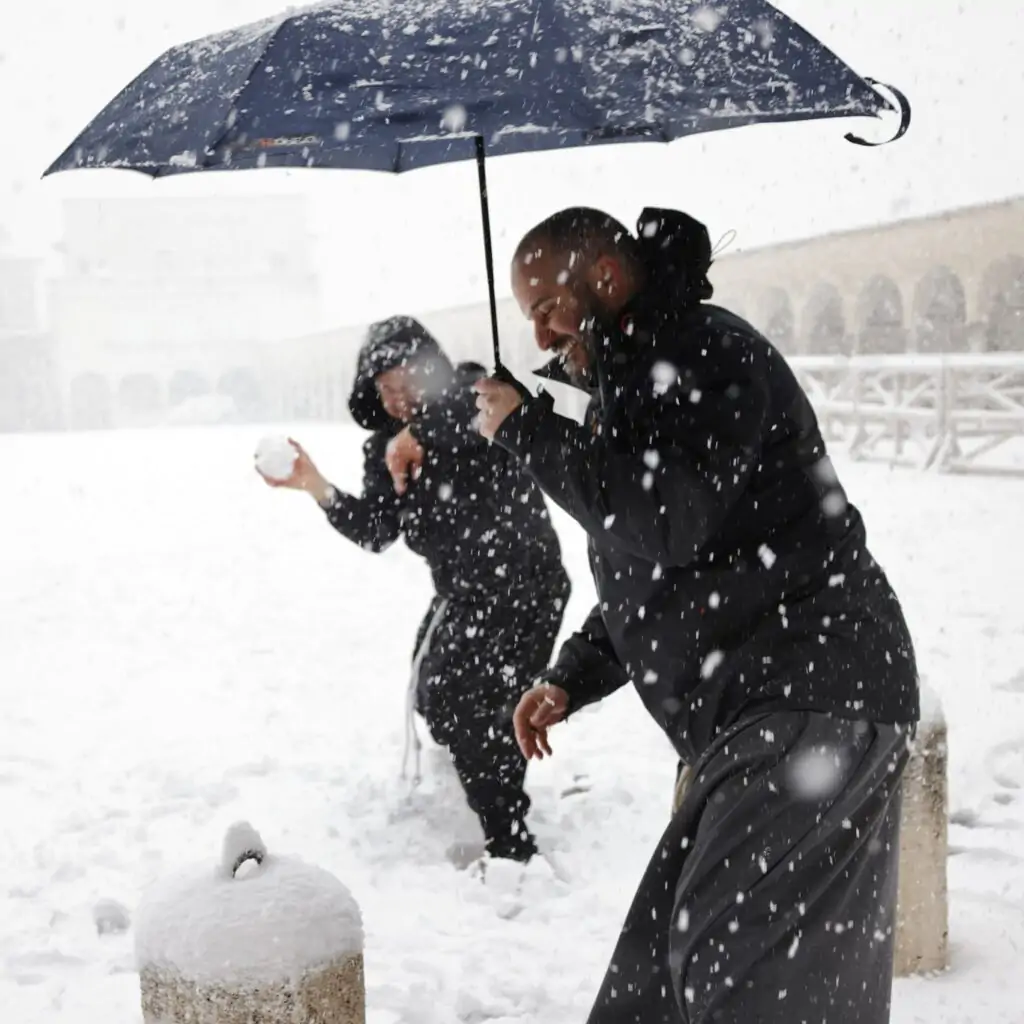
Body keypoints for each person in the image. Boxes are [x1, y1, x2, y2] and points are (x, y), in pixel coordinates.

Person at [473, 207, 920, 1022]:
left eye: (545, 308)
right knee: (665, 990)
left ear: (603, 278)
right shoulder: (639, 381)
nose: (538, 337)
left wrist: (527, 429)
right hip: (782, 708)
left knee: (731, 974)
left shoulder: (699, 352)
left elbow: (665, 521)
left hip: (812, 693)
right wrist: (572, 678)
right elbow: (664, 575)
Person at [259, 315, 570, 865]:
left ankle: (509, 839)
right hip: (464, 591)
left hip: (526, 583)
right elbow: (377, 531)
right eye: (386, 390)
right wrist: (315, 485)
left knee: (465, 702)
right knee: (434, 692)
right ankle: (486, 767)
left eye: (408, 386)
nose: (399, 401)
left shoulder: (479, 395)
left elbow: (470, 411)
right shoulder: (385, 447)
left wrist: (420, 433)